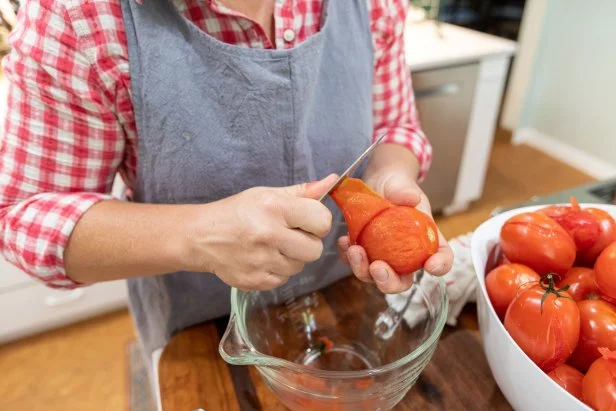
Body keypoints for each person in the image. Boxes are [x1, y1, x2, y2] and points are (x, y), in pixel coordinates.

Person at [0, 0, 453, 364]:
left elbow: (394, 128)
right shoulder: (78, 15)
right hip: (199, 330)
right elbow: (25, 213)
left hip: (346, 296)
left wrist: (389, 177)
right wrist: (199, 236)